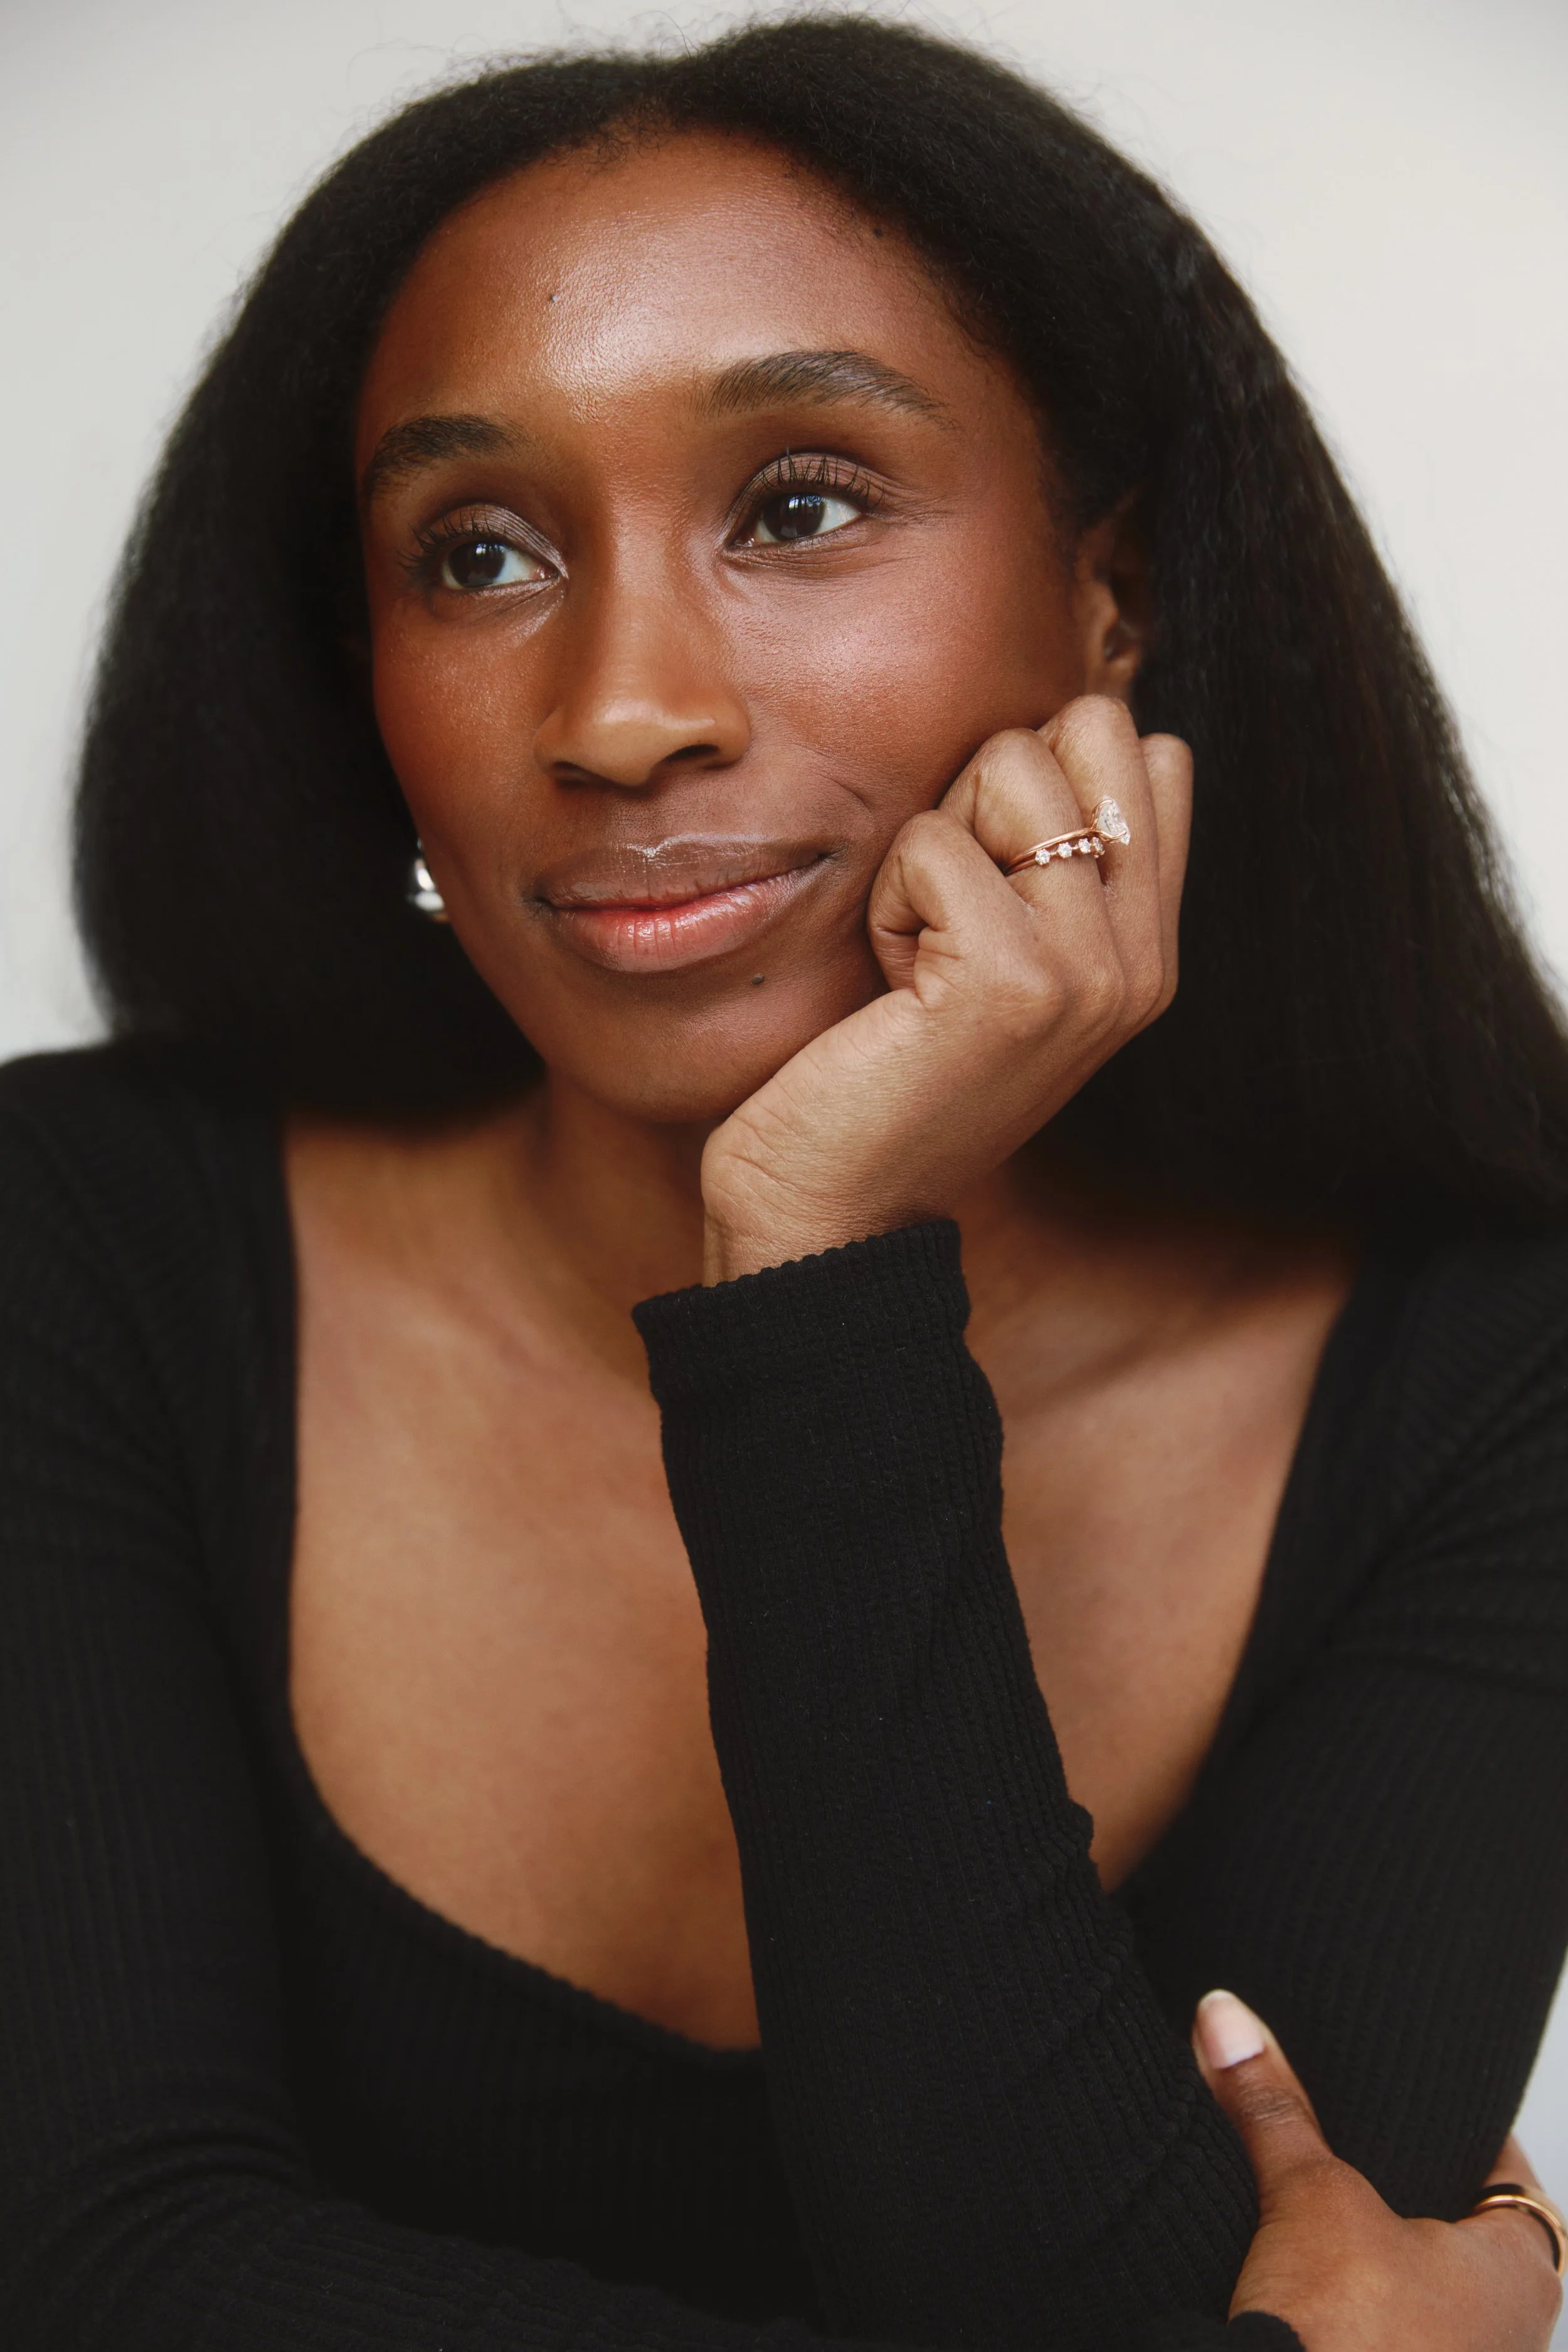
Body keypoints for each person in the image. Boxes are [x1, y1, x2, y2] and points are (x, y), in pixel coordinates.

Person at [1, 18, 1564, 2350]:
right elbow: (98, 2264)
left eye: (803, 501)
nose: (623, 707)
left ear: (1108, 595)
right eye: (485, 550)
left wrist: (820, 1264)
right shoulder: (79, 1249)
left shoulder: (1487, 1366)